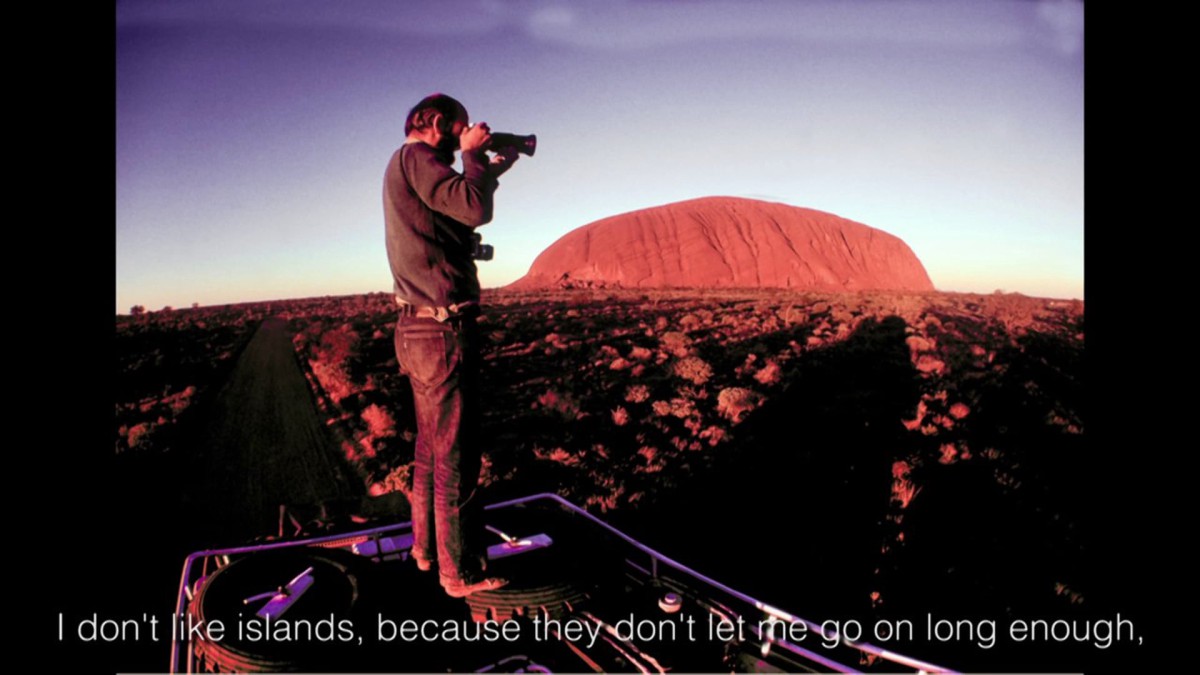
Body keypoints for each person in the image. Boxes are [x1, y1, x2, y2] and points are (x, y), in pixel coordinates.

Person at [382, 93, 519, 598]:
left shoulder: (409, 166)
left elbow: (455, 204)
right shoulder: (420, 158)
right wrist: (471, 155)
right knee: (455, 457)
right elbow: (474, 209)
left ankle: (424, 551)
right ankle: (459, 571)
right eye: (457, 131)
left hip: (417, 330)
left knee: (429, 448)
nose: (461, 139)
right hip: (441, 332)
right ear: (437, 123)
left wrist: (489, 166)